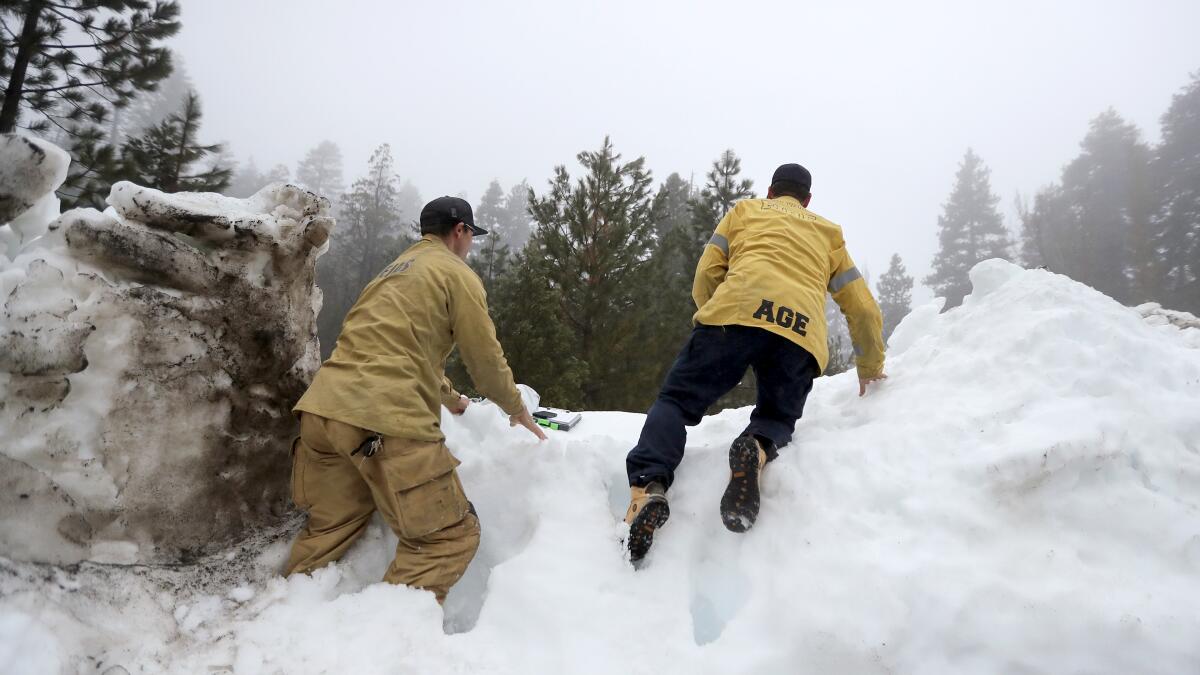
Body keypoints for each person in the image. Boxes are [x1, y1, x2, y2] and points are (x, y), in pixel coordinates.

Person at [285, 196, 546, 602]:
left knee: (330, 528)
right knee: (448, 537)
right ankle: (385, 643)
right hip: (386, 420)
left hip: (322, 411)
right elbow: (485, 358)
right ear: (460, 231)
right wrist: (516, 409)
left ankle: (281, 616)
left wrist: (452, 399)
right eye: (470, 236)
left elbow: (392, 348)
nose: (470, 245)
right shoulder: (455, 274)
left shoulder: (392, 273)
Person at [623, 164, 887, 561]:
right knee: (777, 416)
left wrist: (716, 317)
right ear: (808, 200)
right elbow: (862, 308)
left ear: (770, 192)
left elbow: (707, 272)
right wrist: (869, 364)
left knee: (676, 402)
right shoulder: (829, 235)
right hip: (798, 334)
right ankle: (756, 446)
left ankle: (648, 489)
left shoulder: (745, 211)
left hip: (735, 314)